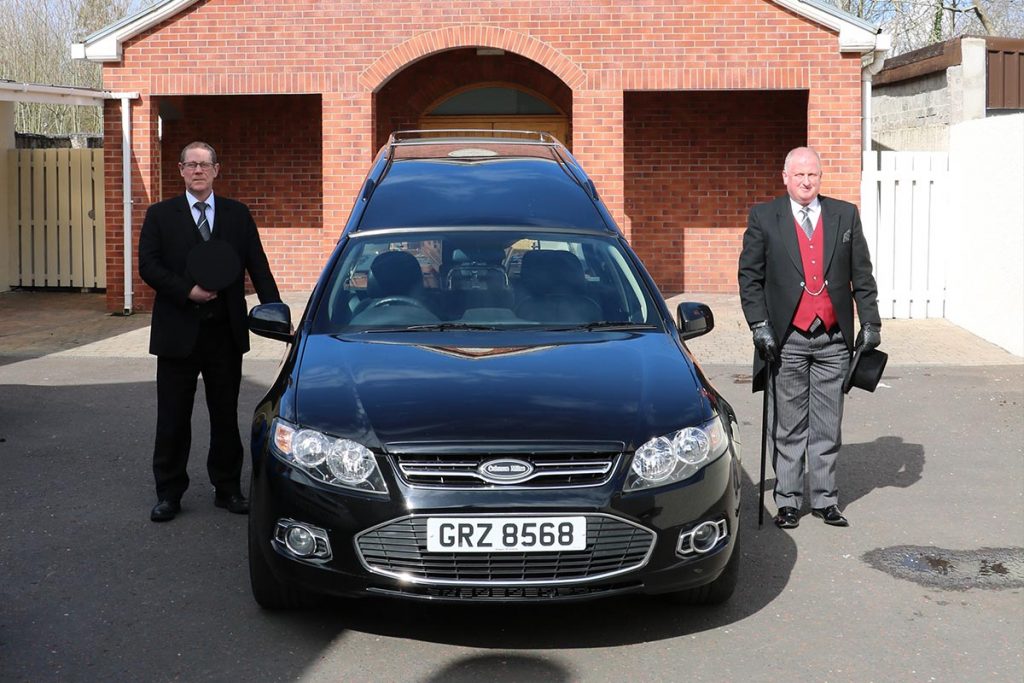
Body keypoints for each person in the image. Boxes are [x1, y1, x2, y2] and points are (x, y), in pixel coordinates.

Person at [737, 146, 881, 529]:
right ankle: (787, 499)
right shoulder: (765, 217)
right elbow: (749, 278)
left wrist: (871, 322)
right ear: (785, 177)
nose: (806, 181)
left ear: (820, 177)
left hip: (833, 338)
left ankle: (825, 499)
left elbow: (862, 276)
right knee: (789, 425)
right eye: (798, 175)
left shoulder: (844, 214)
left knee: (827, 421)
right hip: (788, 337)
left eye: (812, 175)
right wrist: (759, 325)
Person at [139, 141, 281, 522]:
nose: (198, 171)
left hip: (224, 334)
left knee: (224, 415)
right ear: (181, 170)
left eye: (205, 165)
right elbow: (148, 267)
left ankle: (228, 488)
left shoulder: (237, 215)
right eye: (191, 164)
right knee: (172, 418)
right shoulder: (160, 215)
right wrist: (188, 291)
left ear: (217, 170)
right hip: (176, 334)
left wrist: (275, 310)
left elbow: (258, 264)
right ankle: (169, 493)